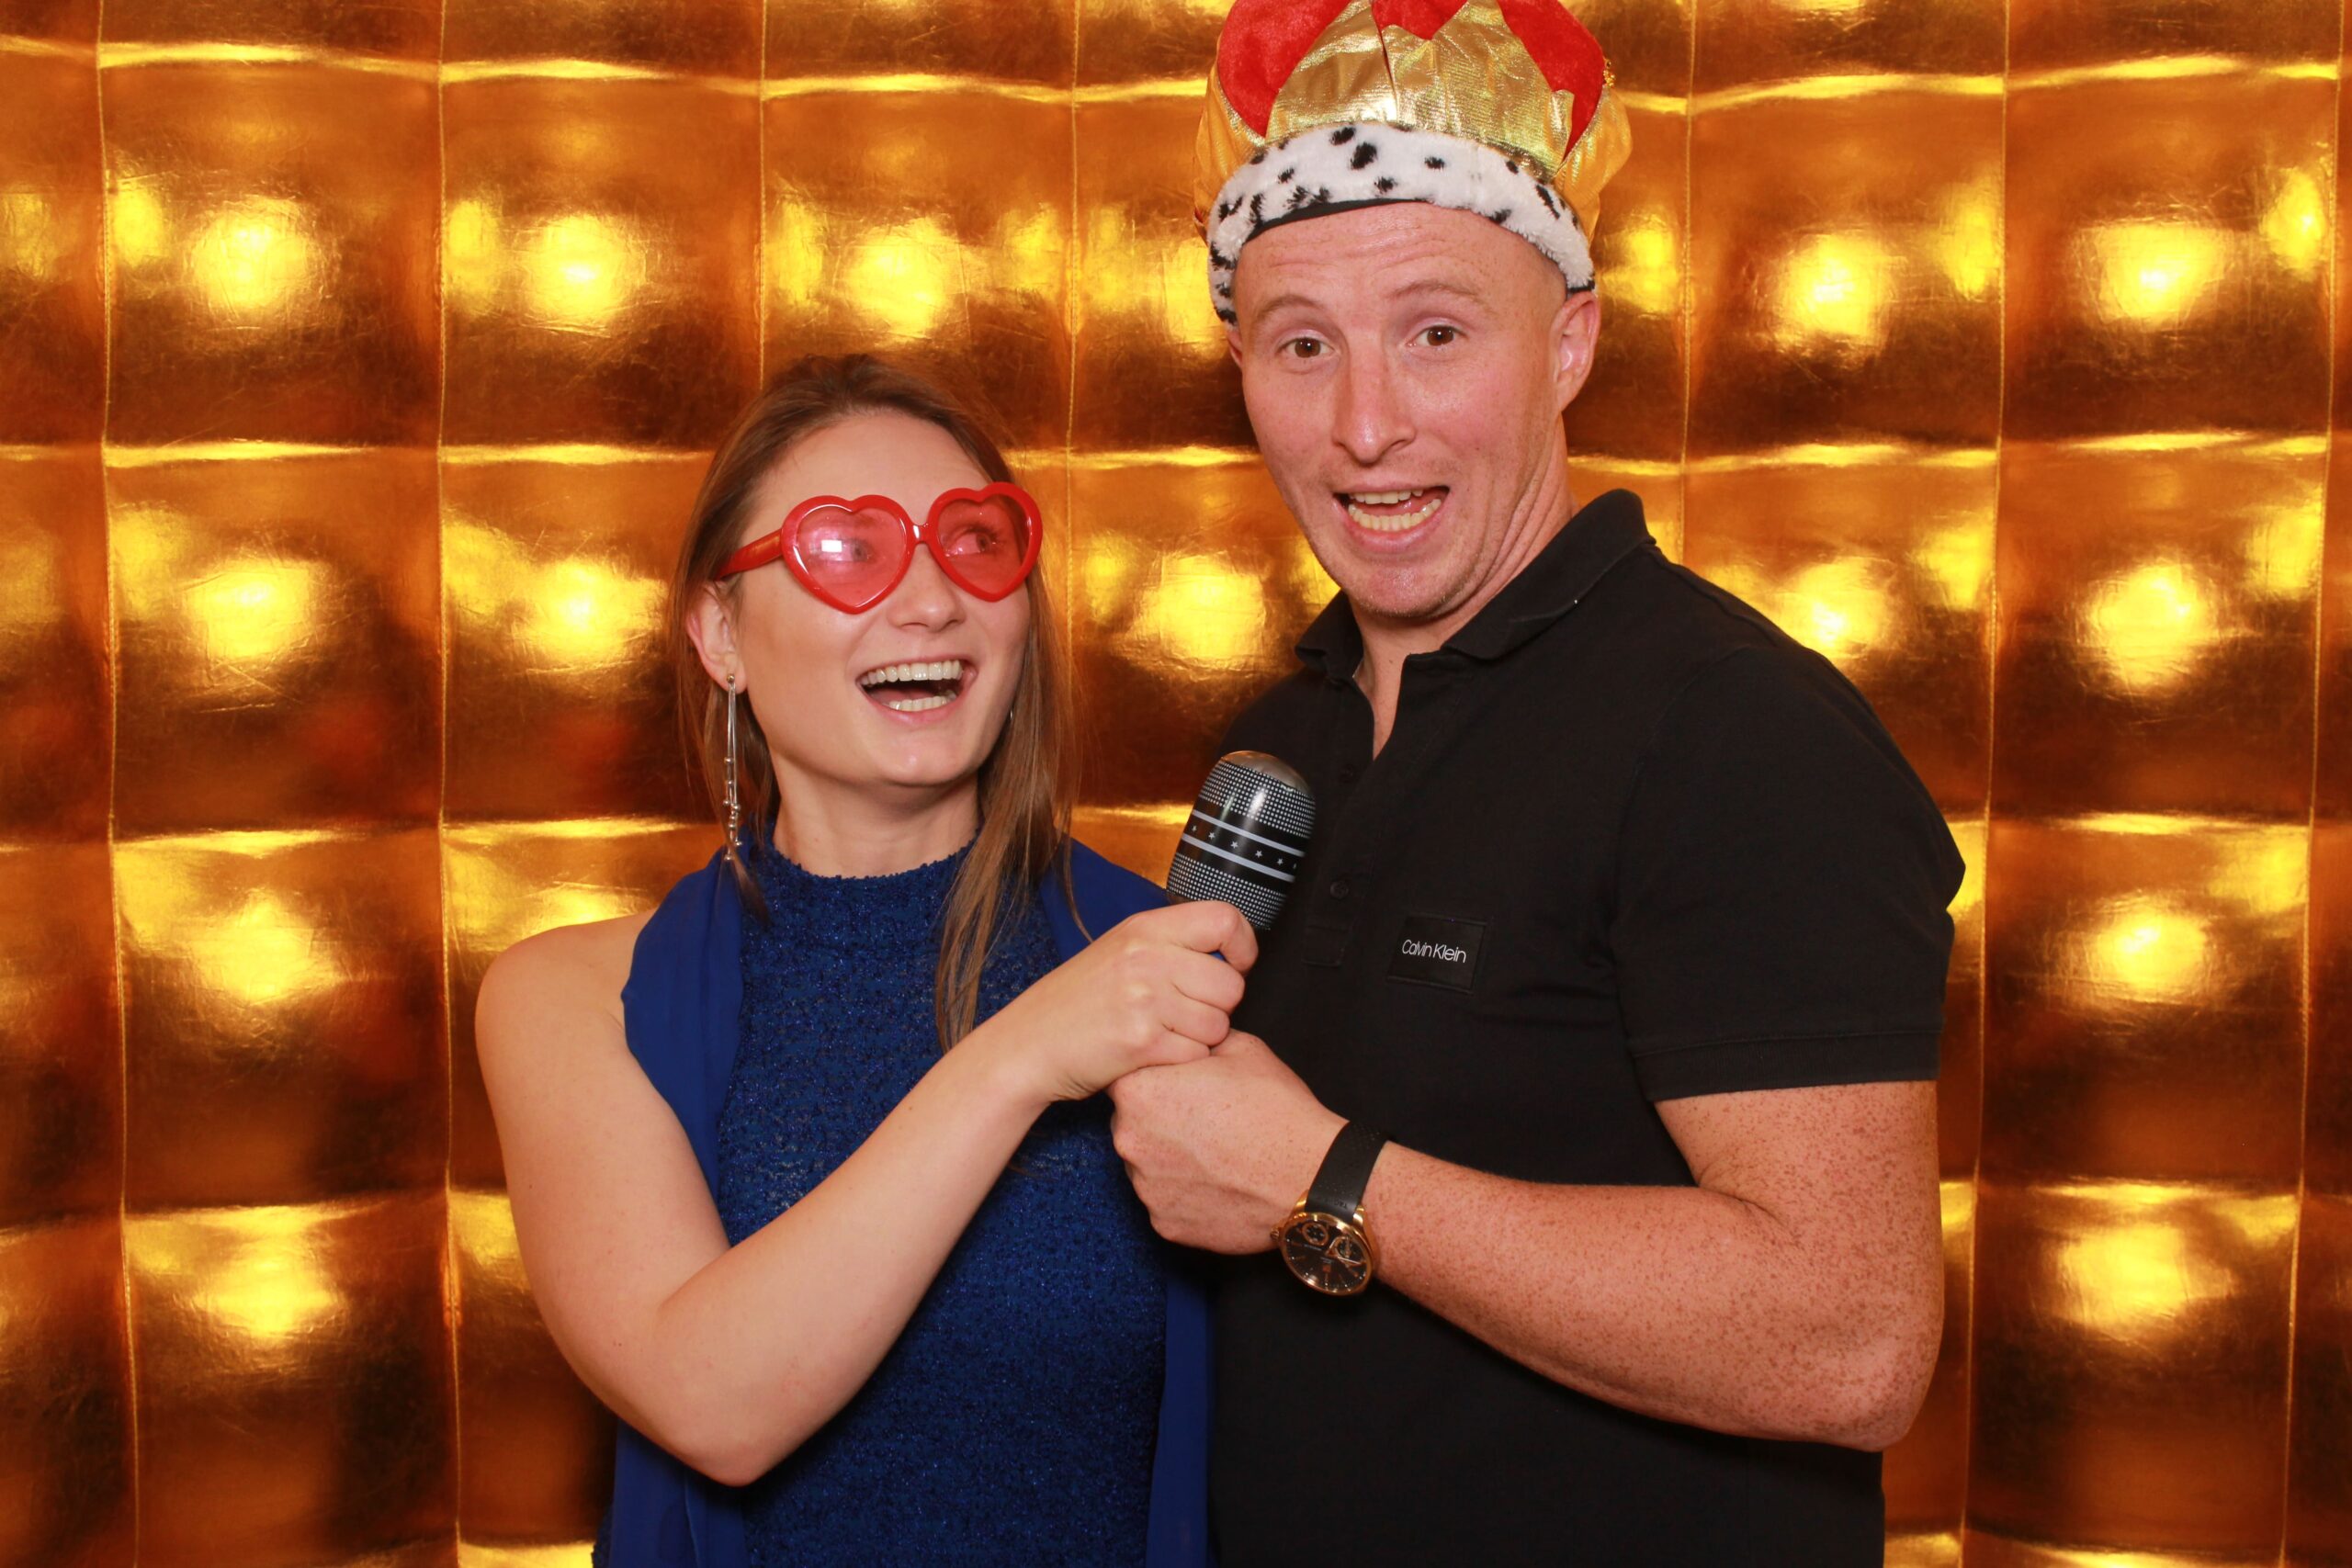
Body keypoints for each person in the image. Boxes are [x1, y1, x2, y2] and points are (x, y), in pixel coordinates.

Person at [1105, 4, 1966, 1562]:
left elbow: (1850, 1340)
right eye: (1303, 344)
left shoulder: (1734, 732)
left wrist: (1321, 1178)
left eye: (1436, 332)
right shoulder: (1286, 734)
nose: (1367, 425)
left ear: (1569, 343)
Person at [474, 355, 1238, 1566]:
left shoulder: (1174, 971)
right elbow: (711, 1405)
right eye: (845, 548)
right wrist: (1021, 1057)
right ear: (720, 632)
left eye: (975, 542)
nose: (931, 601)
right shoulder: (573, 1001)